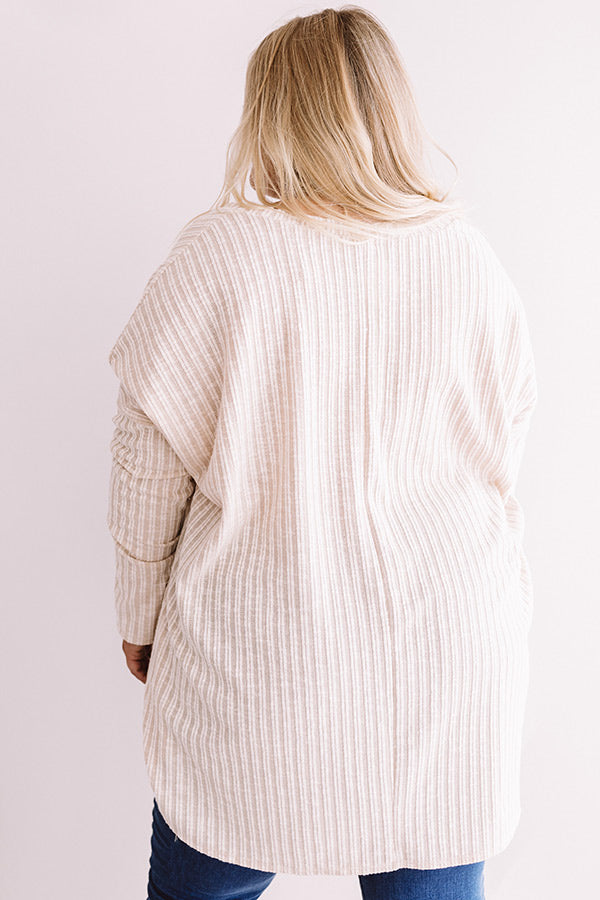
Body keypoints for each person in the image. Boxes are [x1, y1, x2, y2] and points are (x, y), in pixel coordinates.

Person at [107, 6, 537, 899]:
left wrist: (141, 616)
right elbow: (502, 461)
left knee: (204, 879)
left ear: (272, 112)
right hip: (446, 653)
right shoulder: (468, 258)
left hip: (265, 653)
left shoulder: (220, 254)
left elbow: (147, 466)